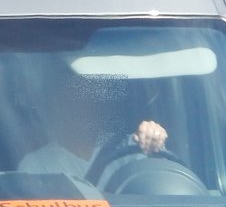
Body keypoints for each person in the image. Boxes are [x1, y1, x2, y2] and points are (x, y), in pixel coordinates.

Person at [18, 72, 168, 181]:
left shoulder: (132, 146)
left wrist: (155, 139)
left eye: (87, 102)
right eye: (71, 103)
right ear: (54, 108)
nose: (82, 110)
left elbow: (167, 183)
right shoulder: (36, 165)